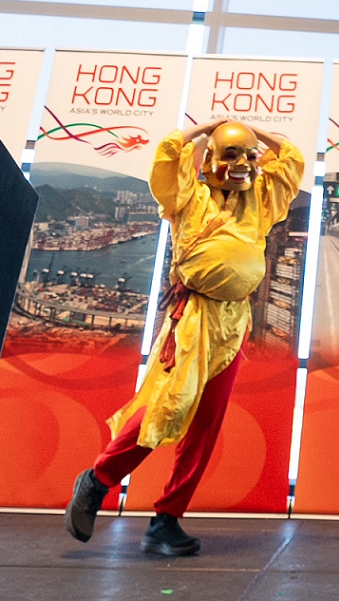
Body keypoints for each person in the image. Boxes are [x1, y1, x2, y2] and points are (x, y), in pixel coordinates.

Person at [63, 117, 305, 558]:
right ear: (209, 160)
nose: (243, 164)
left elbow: (290, 160)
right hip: (193, 320)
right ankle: (97, 480)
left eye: (249, 156)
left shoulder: (261, 201)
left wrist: (251, 132)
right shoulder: (189, 199)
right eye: (230, 155)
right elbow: (168, 155)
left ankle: (166, 520)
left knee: (205, 424)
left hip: (234, 324)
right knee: (166, 407)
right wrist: (209, 128)